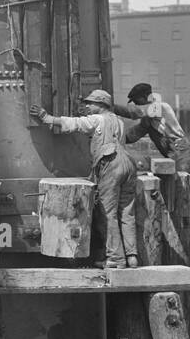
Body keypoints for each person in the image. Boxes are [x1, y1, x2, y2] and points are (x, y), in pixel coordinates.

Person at [30, 89, 139, 269]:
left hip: (111, 164)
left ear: (101, 105)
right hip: (128, 164)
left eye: (91, 103)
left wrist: (47, 118)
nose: (87, 106)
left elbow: (76, 124)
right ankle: (132, 256)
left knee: (107, 213)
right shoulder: (119, 121)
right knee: (127, 212)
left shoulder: (98, 119)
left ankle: (116, 259)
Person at [113, 83, 190, 238]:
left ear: (146, 97)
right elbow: (131, 136)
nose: (136, 104)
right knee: (178, 194)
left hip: (182, 152)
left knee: (188, 193)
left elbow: (135, 112)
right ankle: (186, 234)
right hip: (173, 155)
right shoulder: (148, 120)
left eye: (137, 100)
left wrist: (110, 107)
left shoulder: (160, 107)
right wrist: (113, 134)